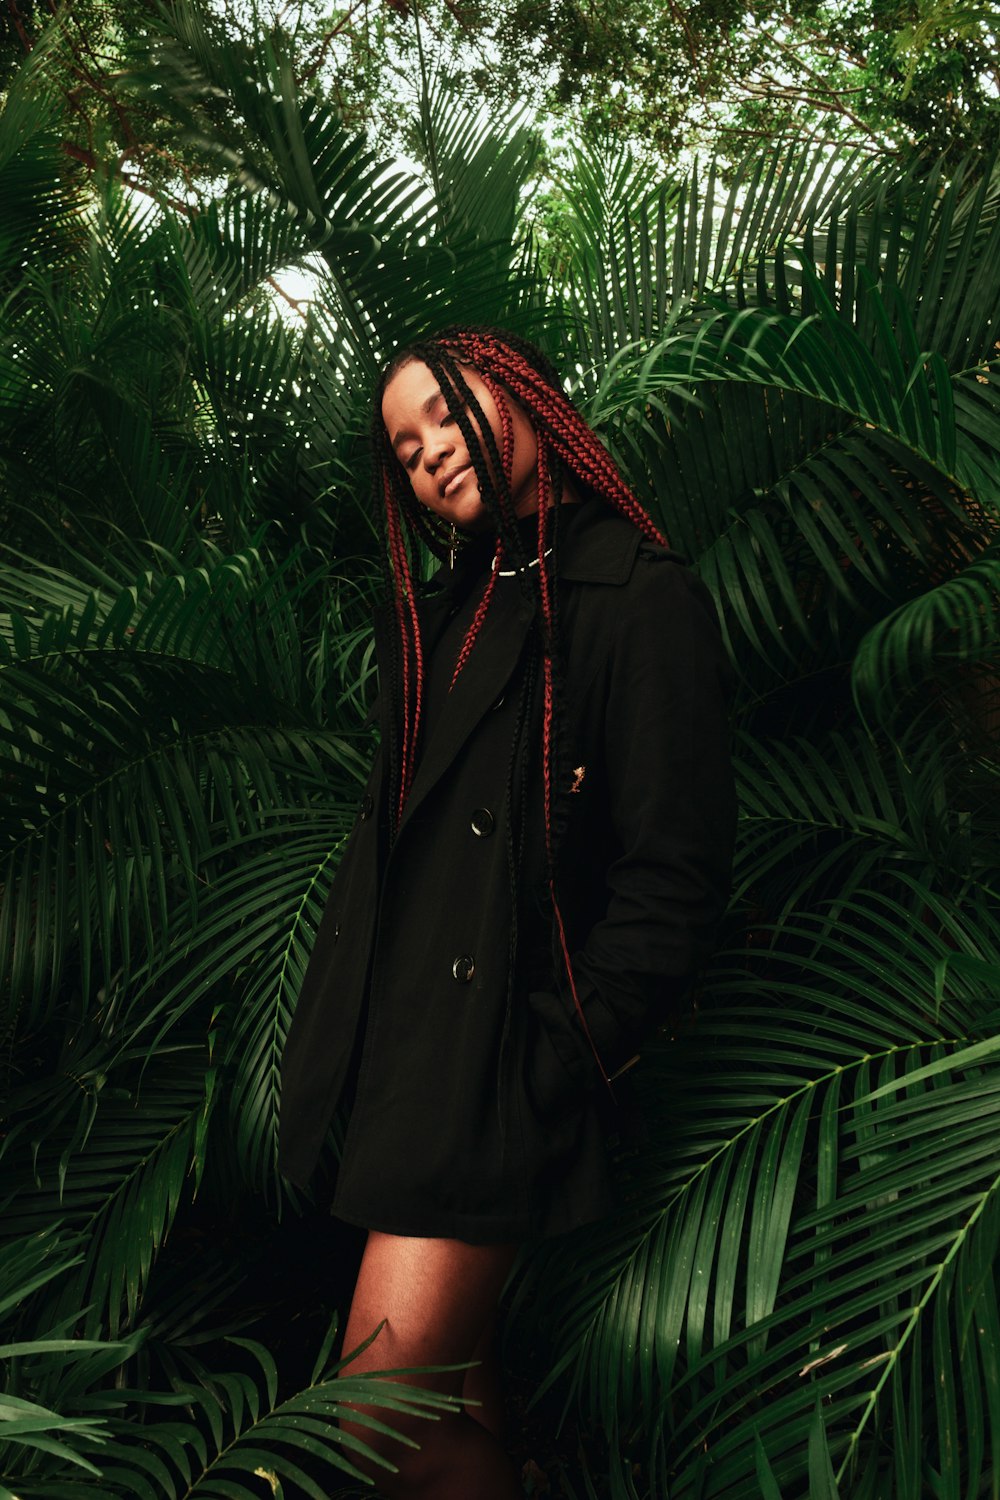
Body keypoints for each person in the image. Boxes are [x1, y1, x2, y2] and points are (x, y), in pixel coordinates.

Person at [279, 326, 736, 1497]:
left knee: (375, 1419)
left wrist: (555, 1052)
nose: (429, 450)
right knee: (452, 1396)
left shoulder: (636, 600)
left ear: (524, 392)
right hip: (398, 1067)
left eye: (445, 409)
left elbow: (670, 879)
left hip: (498, 1067)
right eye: (404, 444)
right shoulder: (442, 615)